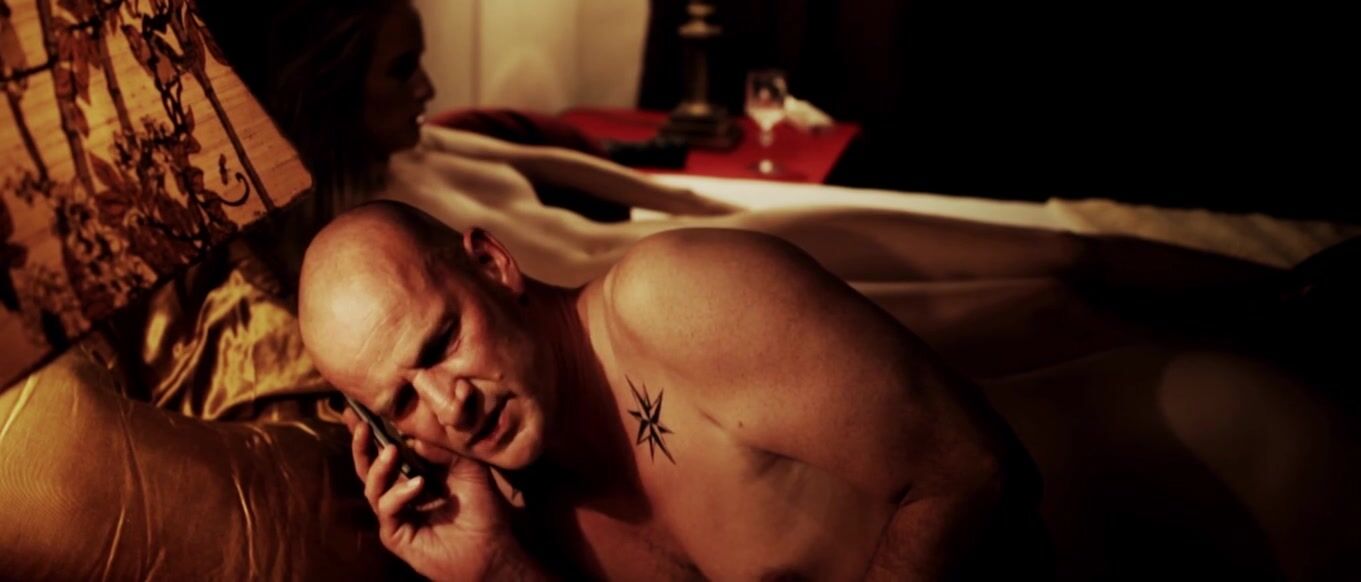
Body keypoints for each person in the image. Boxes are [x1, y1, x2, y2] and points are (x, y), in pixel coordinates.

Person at [200, 0, 1285, 380]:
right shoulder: (365, 249)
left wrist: (773, 208)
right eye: (402, 70)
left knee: (1053, 245)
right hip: (691, 318)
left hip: (719, 241)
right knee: (1048, 302)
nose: (428, 89)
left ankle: (1292, 293)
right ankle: (1275, 335)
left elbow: (651, 191)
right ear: (328, 92)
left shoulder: (427, 151)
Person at [298, 200, 1048, 580]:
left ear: (493, 265)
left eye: (441, 342)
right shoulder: (526, 517)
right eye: (402, 403)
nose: (449, 406)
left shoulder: (673, 299)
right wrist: (496, 570)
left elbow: (974, 470)